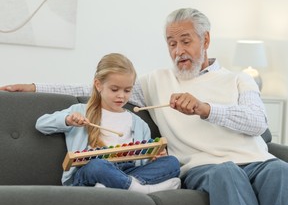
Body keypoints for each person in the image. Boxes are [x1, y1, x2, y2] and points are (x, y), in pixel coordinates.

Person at [1, 8, 288, 205]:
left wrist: (205, 109)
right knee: (225, 173)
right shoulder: (155, 82)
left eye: (185, 41)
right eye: (171, 44)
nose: (178, 51)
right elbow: (92, 88)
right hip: (206, 167)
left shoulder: (240, 79)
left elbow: (258, 123)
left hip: (256, 162)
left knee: (283, 171)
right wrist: (32, 86)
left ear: (206, 40)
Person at [35, 53, 181, 193]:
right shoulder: (80, 111)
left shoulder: (139, 124)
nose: (121, 96)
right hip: (91, 172)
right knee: (97, 166)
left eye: (127, 90)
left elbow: (142, 162)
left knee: (172, 162)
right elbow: (41, 124)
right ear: (98, 85)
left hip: (128, 171)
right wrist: (68, 120)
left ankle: (120, 185)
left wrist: (153, 156)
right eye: (115, 89)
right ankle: (139, 189)